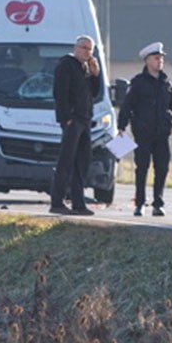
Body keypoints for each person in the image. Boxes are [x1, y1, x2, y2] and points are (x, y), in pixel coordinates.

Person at [117, 41, 172, 216]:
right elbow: (127, 106)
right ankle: (140, 203)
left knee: (162, 167)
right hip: (143, 132)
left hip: (162, 133)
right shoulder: (138, 82)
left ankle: (158, 203)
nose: (160, 61)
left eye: (161, 58)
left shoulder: (165, 82)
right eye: (156, 58)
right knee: (142, 167)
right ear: (147, 60)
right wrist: (121, 126)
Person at [49, 35, 101, 216]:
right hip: (73, 120)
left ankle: (78, 202)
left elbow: (93, 93)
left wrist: (95, 75)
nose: (87, 52)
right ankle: (57, 201)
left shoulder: (85, 68)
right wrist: (66, 118)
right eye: (84, 48)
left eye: (90, 49)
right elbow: (59, 93)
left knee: (83, 161)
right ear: (75, 48)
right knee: (66, 160)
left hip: (85, 119)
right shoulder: (66, 65)